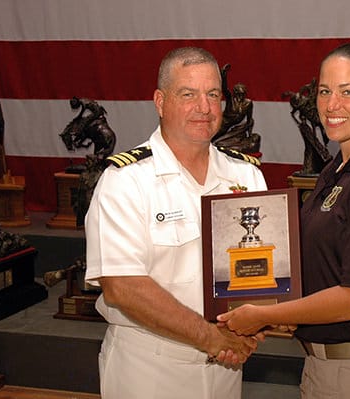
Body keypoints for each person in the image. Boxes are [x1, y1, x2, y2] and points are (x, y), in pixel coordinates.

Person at [218, 42, 350, 399]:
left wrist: (264, 314)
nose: (332, 105)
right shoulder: (340, 165)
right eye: (325, 91)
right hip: (329, 366)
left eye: (348, 92)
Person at [84, 47, 268, 399]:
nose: (204, 107)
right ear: (160, 101)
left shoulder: (246, 176)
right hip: (150, 371)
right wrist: (210, 337)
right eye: (188, 94)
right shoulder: (126, 181)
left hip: (226, 369)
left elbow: (259, 273)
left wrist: (258, 322)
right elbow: (122, 287)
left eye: (213, 94)